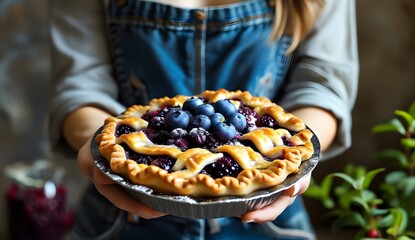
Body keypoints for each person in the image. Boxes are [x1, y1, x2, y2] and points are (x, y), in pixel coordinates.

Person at [49, 0, 358, 239]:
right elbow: (81, 85)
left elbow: (322, 84)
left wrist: (295, 162)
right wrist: (98, 146)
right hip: (122, 221)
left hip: (270, 223)